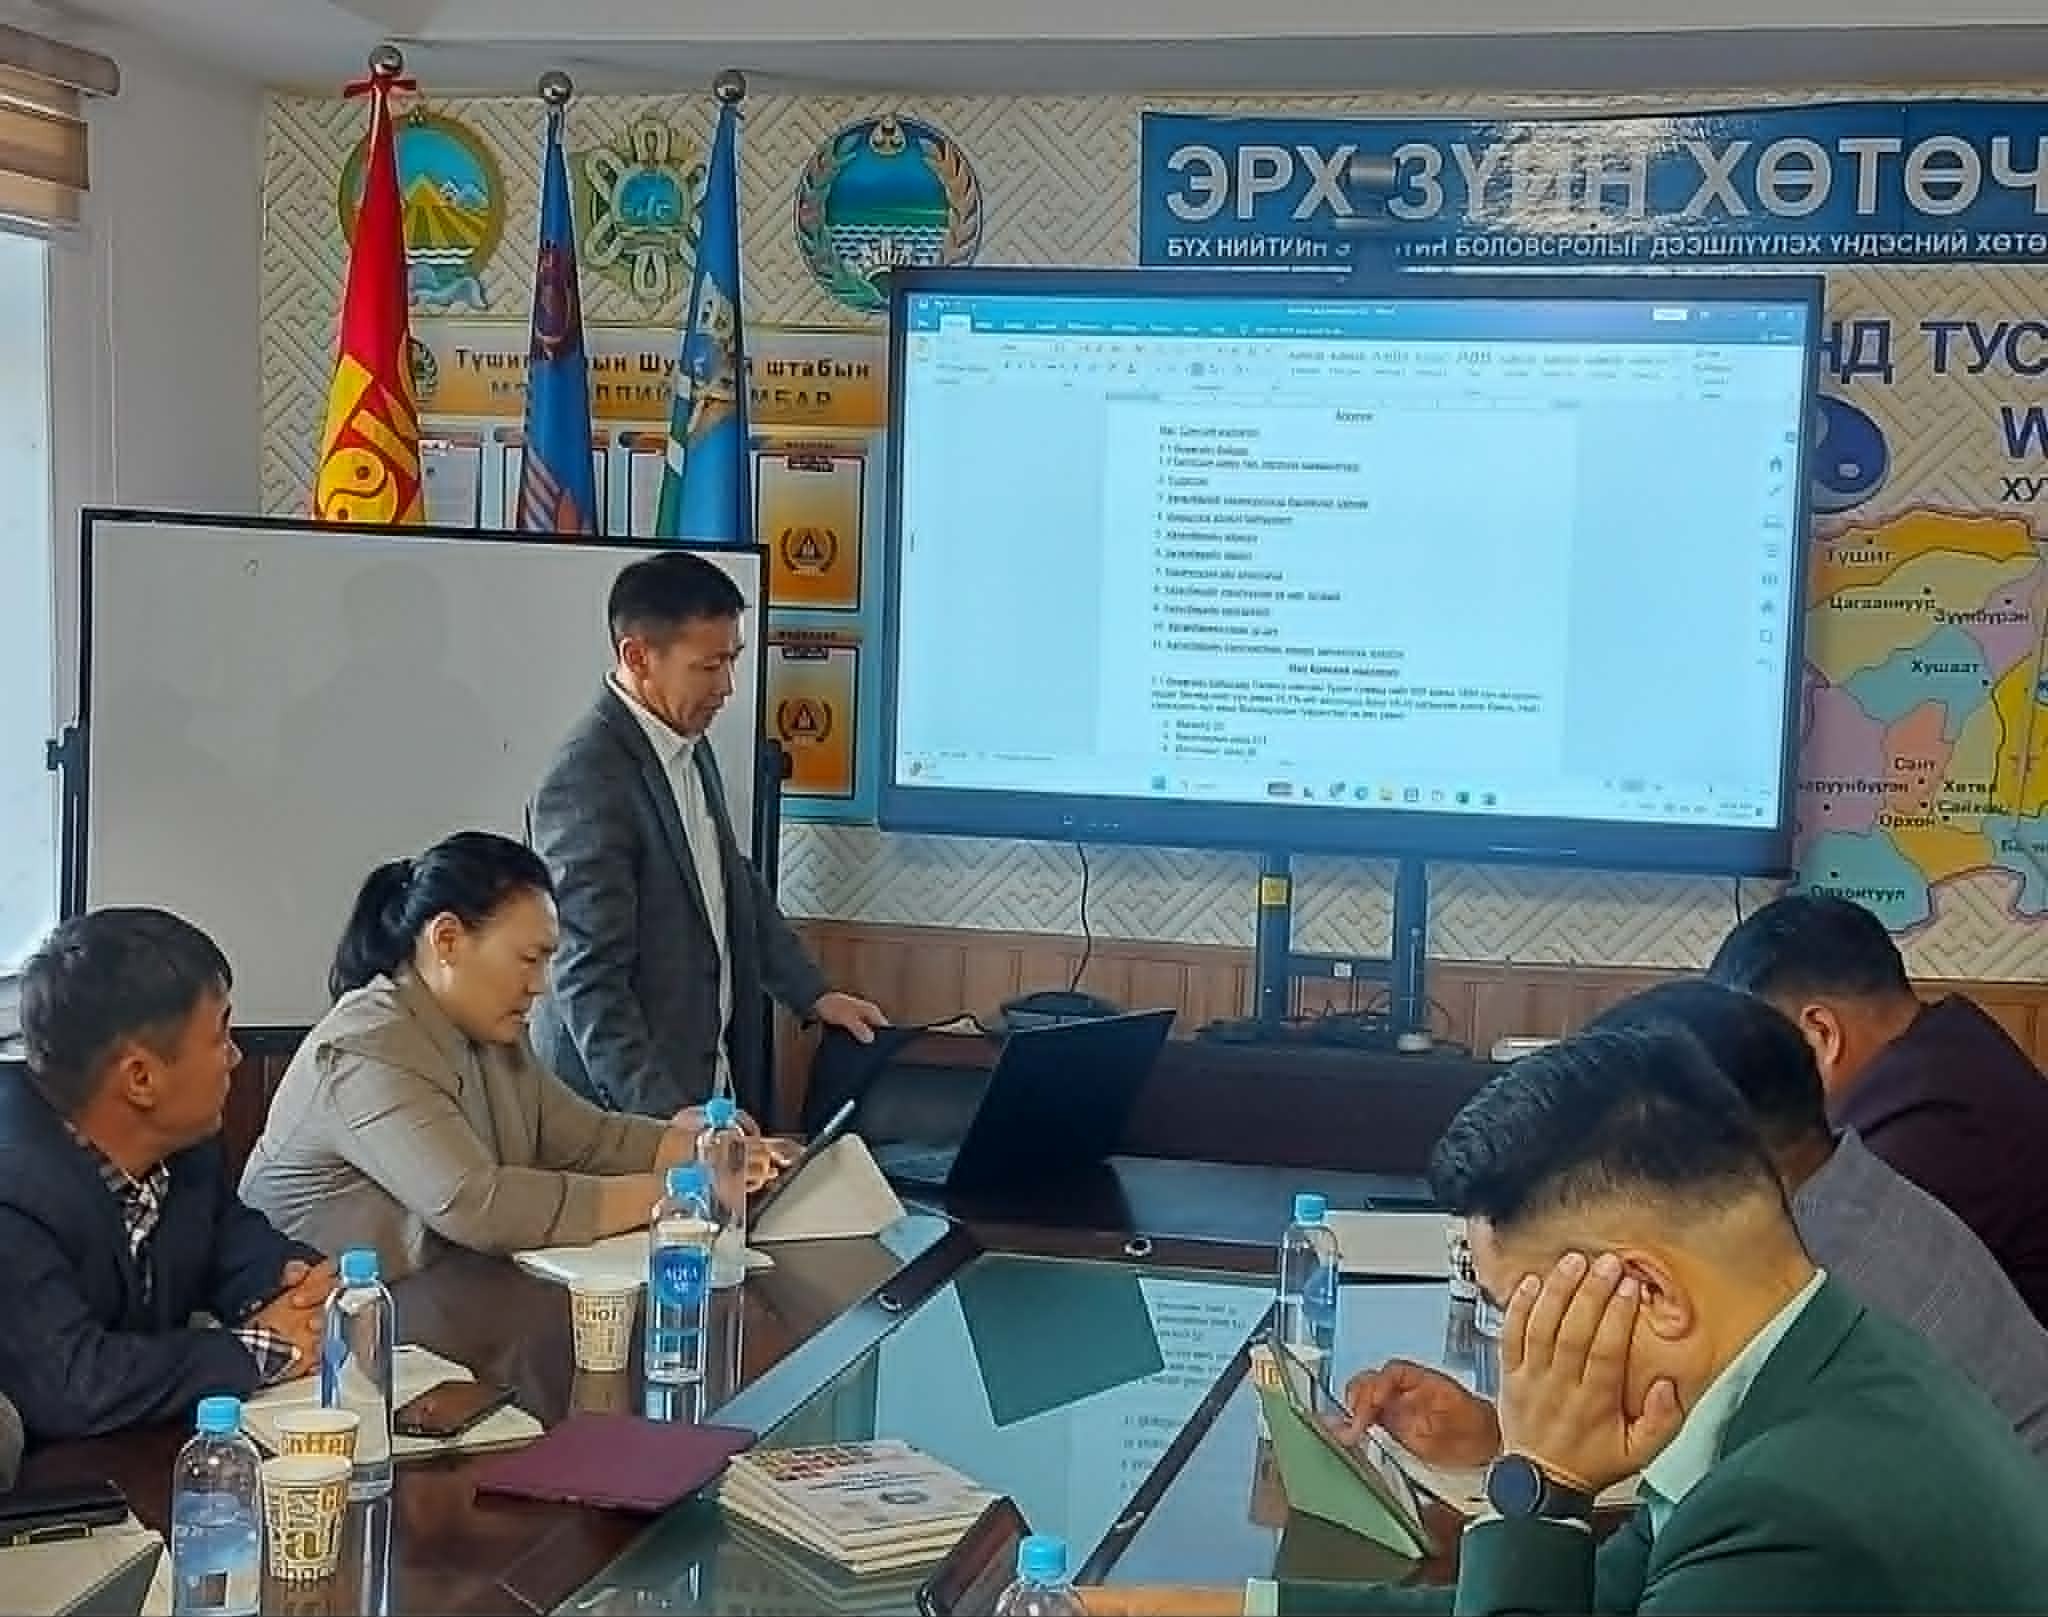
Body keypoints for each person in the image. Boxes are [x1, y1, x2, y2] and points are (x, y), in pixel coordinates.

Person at [1086, 1027, 2048, 1614]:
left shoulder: (1796, 1514)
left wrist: (1538, 1487)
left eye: (1517, 1311)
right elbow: (1599, 1598)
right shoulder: (1822, 1360)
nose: (1509, 1351)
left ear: (1647, 1292)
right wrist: (1217, 1609)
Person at [1340, 979, 2048, 1471]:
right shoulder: (1844, 1199)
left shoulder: (1830, 1290)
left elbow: (1685, 1534)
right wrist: (1504, 1435)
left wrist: (1537, 1472)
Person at [241, 832, 785, 1281]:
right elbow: (479, 1204)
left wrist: (720, 1152)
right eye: (528, 959)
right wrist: (684, 1192)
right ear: (447, 940)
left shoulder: (491, 1030)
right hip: (328, 1333)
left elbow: (588, 1139)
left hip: (433, 1307)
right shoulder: (367, 1048)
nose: (540, 985)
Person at [528, 551, 886, 1121]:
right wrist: (670, 1119)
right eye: (709, 666)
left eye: (733, 660)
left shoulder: (687, 741)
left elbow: (728, 881)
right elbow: (589, 981)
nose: (728, 686)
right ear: (638, 656)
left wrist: (813, 994)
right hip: (624, 1117)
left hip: (703, 1090)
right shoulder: (587, 780)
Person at [0, 910, 330, 1443]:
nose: (236, 1057)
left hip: (135, 1455)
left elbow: (239, 1247)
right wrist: (261, 1349)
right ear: (141, 1078)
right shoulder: (14, 1187)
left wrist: (301, 1291)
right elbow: (74, 1385)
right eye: (220, 1036)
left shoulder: (186, 1150)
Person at [1708, 892, 2048, 1322]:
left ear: (1820, 1034)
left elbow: (1799, 1299)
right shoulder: (1950, 1040)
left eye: (1755, 1059)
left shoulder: (1924, 1130)